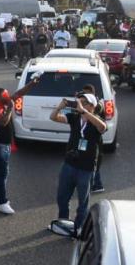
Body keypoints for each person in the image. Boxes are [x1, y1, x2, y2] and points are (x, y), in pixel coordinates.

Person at [49, 93, 107, 234]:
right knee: (62, 197)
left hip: (86, 168)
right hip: (69, 164)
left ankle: (79, 227)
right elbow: (53, 117)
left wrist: (85, 112)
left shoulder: (96, 120)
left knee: (83, 201)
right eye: (78, 102)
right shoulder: (74, 118)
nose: (79, 105)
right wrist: (59, 107)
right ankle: (63, 223)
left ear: (92, 106)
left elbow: (103, 127)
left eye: (84, 102)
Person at [0, 75, 41, 215]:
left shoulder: (2, 101)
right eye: (5, 95)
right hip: (0, 145)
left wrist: (32, 83)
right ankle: (3, 202)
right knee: (2, 173)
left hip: (3, 144)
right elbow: (3, 122)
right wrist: (10, 108)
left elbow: (19, 93)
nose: (8, 96)